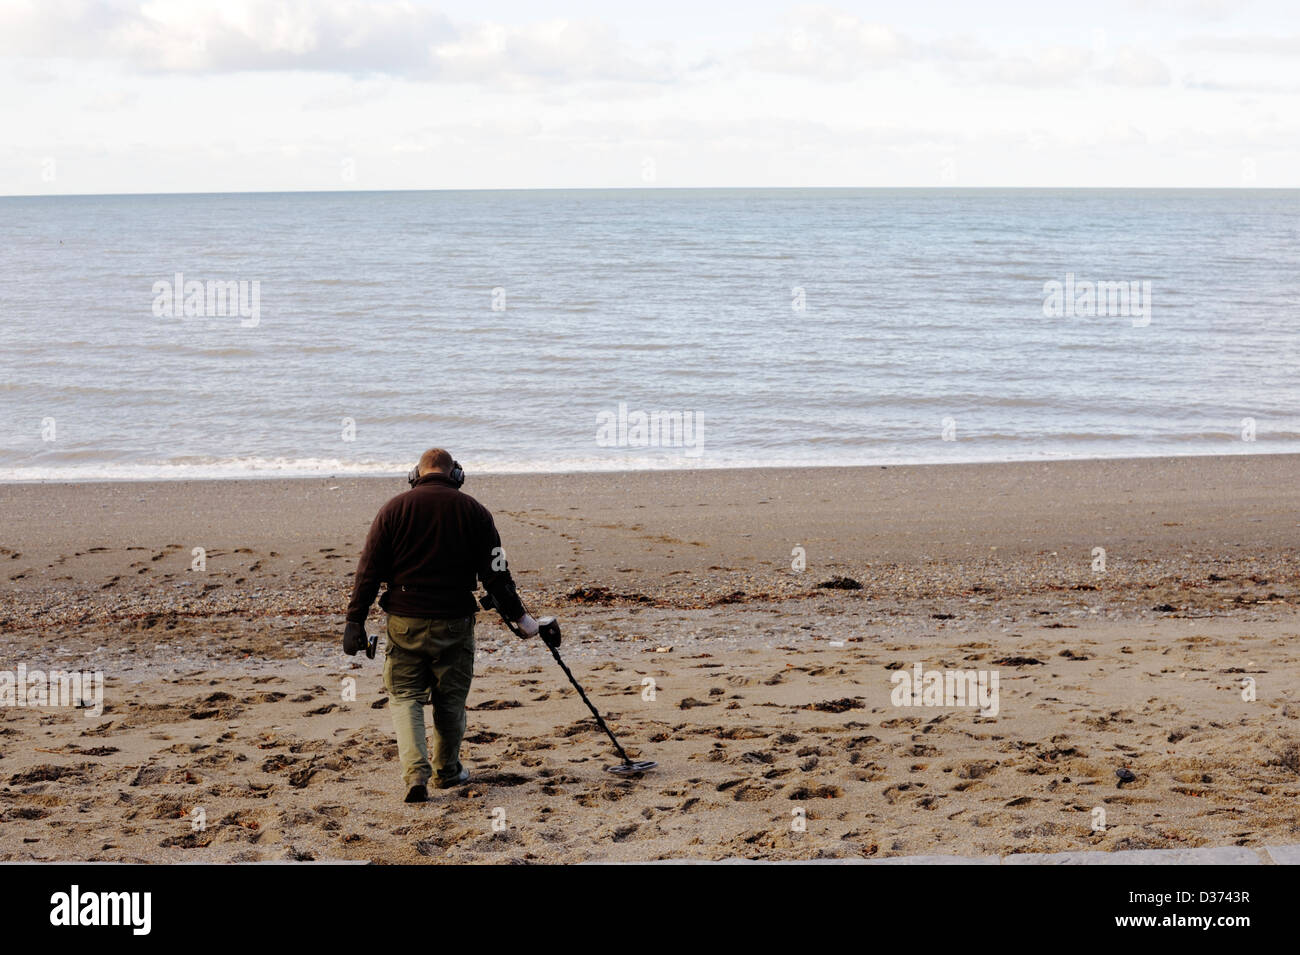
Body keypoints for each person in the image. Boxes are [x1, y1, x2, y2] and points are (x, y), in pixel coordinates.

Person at [342, 448, 540, 803]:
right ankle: (447, 771)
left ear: (415, 475)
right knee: (450, 699)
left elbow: (368, 571)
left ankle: (415, 773)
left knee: (405, 698)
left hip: (404, 622)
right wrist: (523, 620)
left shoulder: (393, 510)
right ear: (456, 476)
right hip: (454, 622)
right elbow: (497, 576)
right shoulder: (476, 512)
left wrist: (354, 620)